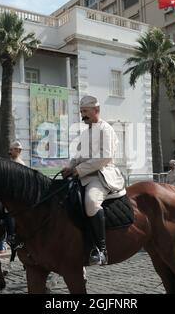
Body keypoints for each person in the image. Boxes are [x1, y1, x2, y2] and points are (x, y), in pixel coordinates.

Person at [61, 95, 125, 266]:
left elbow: (104, 157)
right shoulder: (85, 133)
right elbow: (78, 156)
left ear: (96, 110)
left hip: (101, 175)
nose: (83, 115)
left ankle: (101, 250)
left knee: (90, 202)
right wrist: (69, 167)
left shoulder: (106, 129)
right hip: (82, 175)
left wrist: (78, 170)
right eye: (81, 112)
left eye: (86, 112)